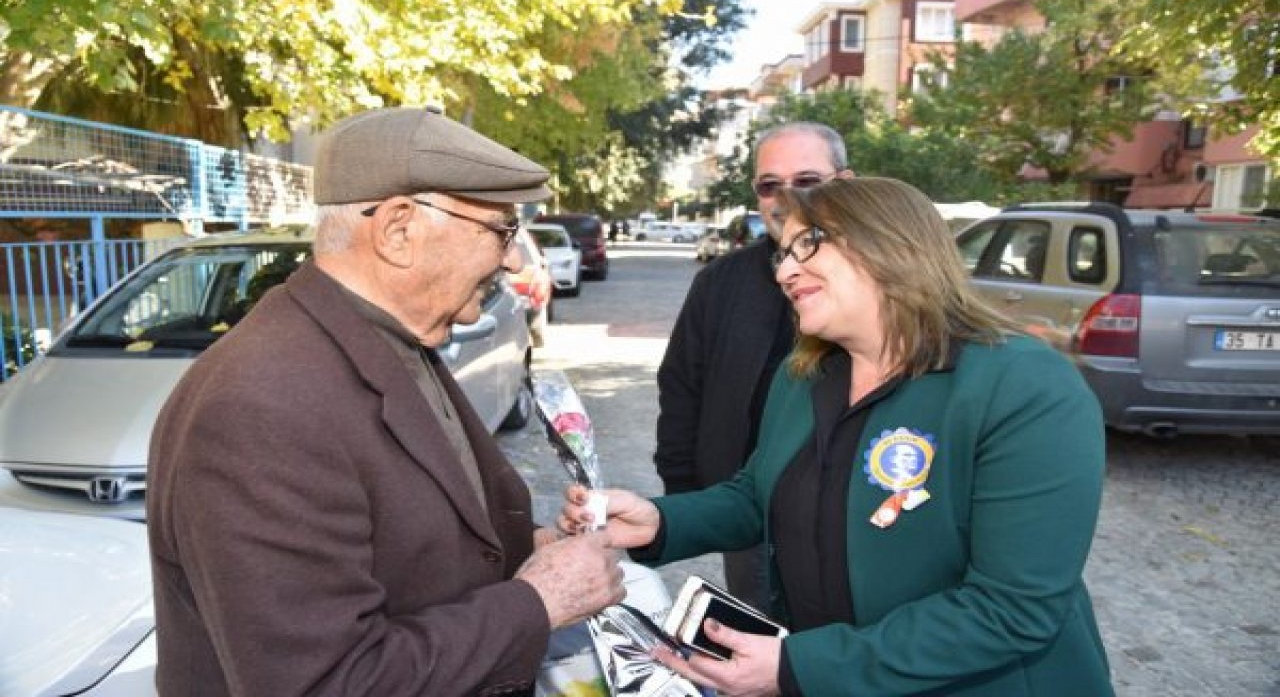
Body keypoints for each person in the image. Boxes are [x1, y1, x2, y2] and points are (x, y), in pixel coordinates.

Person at [565, 177, 1113, 695]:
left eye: (808, 244)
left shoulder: (1024, 387)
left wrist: (799, 667)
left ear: (889, 244)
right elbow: (758, 495)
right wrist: (661, 521)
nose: (784, 272)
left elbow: (1012, 609)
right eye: (783, 253)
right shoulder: (804, 375)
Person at [147, 107, 624, 697]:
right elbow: (322, 682)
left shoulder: (385, 338)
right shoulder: (262, 406)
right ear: (399, 230)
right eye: (501, 230)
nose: (513, 259)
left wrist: (527, 553)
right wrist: (538, 601)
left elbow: (410, 539)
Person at [653, 122, 853, 612]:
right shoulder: (721, 282)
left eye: (807, 181)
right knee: (762, 654)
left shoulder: (879, 281)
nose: (787, 196)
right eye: (770, 184)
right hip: (749, 519)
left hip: (853, 518)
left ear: (845, 183)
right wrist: (686, 503)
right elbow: (681, 387)